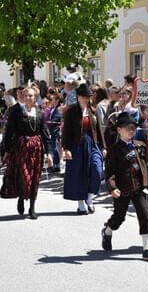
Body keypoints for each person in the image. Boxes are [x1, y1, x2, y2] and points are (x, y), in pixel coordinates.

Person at [101, 112, 148, 262]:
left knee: (144, 216)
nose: (131, 131)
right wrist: (112, 187)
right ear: (119, 130)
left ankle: (146, 249)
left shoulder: (139, 146)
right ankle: (107, 231)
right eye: (127, 128)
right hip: (122, 188)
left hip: (139, 187)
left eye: (133, 128)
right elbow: (109, 172)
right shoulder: (114, 149)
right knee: (119, 217)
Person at [0, 86, 51, 219]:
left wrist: (49, 154)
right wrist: (7, 150)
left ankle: (32, 207)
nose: (28, 98)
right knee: (23, 174)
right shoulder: (16, 111)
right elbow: (9, 132)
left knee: (34, 177)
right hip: (20, 147)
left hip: (36, 148)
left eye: (31, 96)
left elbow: (45, 133)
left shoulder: (39, 113)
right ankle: (22, 198)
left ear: (35, 98)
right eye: (26, 95)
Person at [62, 84, 106, 214]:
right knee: (79, 175)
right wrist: (66, 149)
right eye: (83, 96)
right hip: (77, 145)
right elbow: (66, 132)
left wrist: (103, 146)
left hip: (92, 144)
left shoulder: (93, 111)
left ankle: (89, 197)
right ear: (78, 97)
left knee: (97, 170)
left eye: (88, 97)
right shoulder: (71, 112)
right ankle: (81, 203)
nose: (86, 99)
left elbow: (99, 131)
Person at [47, 88, 63, 172]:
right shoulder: (53, 108)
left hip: (56, 130)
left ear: (57, 100)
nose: (51, 101)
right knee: (53, 147)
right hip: (52, 130)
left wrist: (47, 123)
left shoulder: (58, 109)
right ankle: (55, 164)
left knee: (55, 147)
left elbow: (55, 119)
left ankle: (56, 165)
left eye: (53, 99)